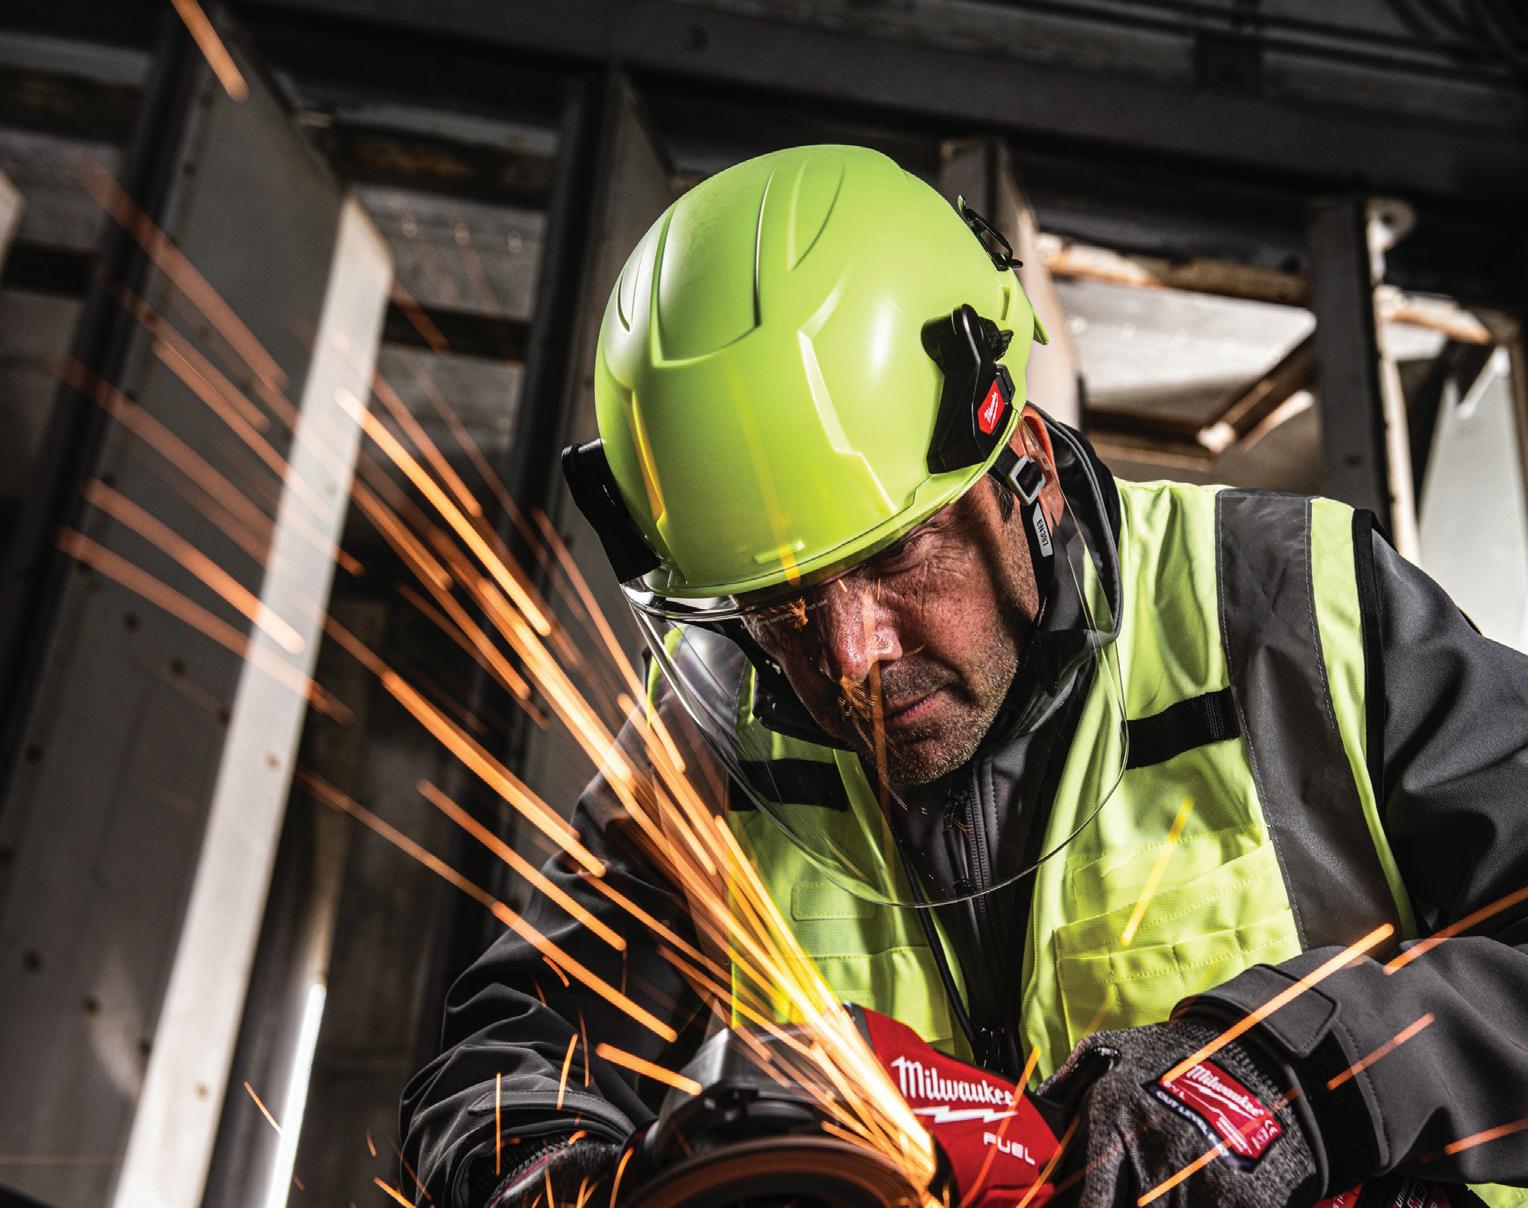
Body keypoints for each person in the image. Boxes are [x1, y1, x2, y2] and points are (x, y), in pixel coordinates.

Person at [400, 145, 1528, 1207]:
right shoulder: (714, 729)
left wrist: (1292, 1083)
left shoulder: (1289, 608)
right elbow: (506, 1053)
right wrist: (556, 1174)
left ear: (1022, 460)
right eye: (780, 605)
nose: (852, 655)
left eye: (895, 557)